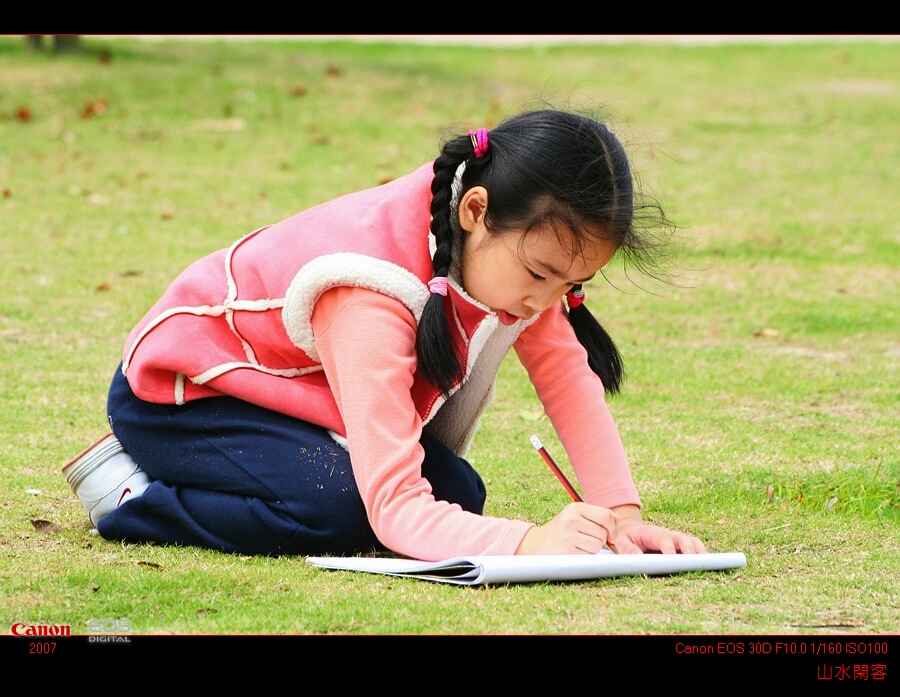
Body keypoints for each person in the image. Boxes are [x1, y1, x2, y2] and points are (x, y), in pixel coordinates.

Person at [62, 107, 708, 562]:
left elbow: (567, 376)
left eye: (572, 285)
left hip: (295, 397)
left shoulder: (514, 253)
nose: (546, 302)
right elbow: (394, 510)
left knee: (460, 494)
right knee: (339, 508)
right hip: (185, 397)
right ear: (475, 211)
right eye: (540, 273)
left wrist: (623, 518)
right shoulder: (368, 292)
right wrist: (528, 542)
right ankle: (131, 495)